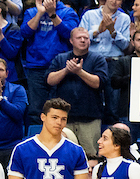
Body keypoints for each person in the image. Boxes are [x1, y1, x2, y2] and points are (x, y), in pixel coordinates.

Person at [46, 27, 108, 156]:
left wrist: (79, 72)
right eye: (79, 38)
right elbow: (49, 80)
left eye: (86, 38)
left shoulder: (97, 59)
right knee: (63, 155)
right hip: (64, 119)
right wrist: (66, 70)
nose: (83, 40)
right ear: (71, 41)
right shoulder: (61, 58)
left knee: (90, 155)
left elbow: (99, 83)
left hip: (90, 118)